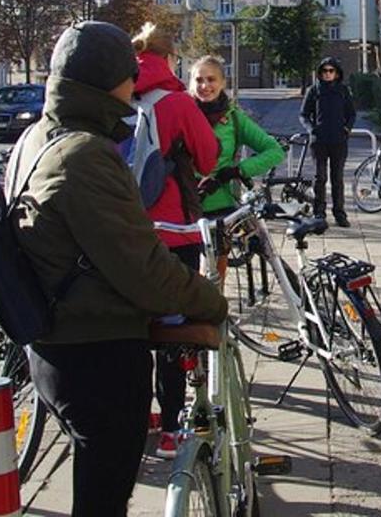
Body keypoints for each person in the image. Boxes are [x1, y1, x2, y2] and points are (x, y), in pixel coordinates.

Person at [7, 21, 227, 517]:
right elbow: (144, 270)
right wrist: (211, 300)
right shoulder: (83, 155)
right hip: (97, 353)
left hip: (53, 342)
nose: (135, 88)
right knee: (103, 494)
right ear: (108, 82)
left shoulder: (34, 138)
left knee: (97, 482)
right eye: (129, 78)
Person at [130, 23, 221, 460]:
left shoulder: (116, 95)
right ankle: (169, 429)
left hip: (122, 231)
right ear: (170, 60)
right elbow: (208, 157)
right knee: (169, 329)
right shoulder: (177, 102)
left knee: (131, 326)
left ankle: (137, 415)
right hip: (173, 232)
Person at [188, 54, 285, 215]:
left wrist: (237, 171)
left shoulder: (234, 118)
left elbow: (275, 151)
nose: (205, 86)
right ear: (191, 83)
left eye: (211, 79)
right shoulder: (182, 115)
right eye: (199, 80)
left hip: (222, 209)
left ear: (223, 83)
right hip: (183, 207)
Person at [300, 56, 356, 227]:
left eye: (331, 71)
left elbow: (351, 114)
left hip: (339, 141)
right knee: (320, 178)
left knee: (337, 178)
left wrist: (347, 128)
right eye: (324, 71)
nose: (327, 74)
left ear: (337, 73)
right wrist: (312, 130)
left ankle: (339, 213)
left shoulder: (343, 90)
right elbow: (303, 114)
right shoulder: (314, 90)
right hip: (319, 142)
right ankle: (319, 213)